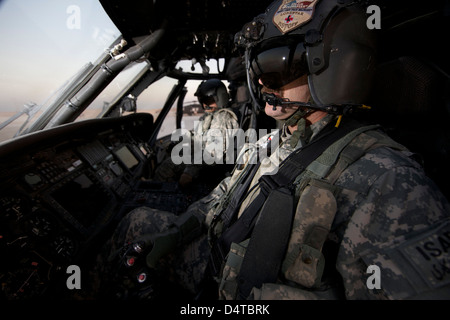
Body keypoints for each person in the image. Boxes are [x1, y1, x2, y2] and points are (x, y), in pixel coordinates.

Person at [97, 0, 450, 300]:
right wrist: (176, 233)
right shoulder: (275, 141)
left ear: (335, 69)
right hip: (216, 260)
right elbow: (220, 198)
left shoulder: (389, 182)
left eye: (277, 66)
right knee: (137, 221)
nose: (263, 82)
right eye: (257, 67)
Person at [153, 78, 240, 188]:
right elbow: (197, 136)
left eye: (208, 101)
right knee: (169, 156)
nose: (204, 105)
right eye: (202, 101)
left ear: (220, 98)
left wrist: (190, 171)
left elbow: (212, 153)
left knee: (167, 166)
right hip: (200, 157)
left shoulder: (223, 118)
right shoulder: (210, 116)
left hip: (211, 167)